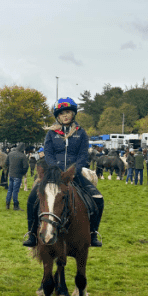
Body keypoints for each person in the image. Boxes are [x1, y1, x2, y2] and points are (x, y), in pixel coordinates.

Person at [23, 97, 103, 248]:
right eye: (61, 113)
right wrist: (57, 171)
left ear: (73, 114)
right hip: (53, 174)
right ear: (57, 116)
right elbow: (48, 153)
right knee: (32, 198)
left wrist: (74, 171)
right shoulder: (51, 134)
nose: (65, 115)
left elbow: (83, 155)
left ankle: (93, 234)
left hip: (75, 174)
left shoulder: (81, 133)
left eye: (68, 112)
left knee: (98, 199)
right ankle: (32, 234)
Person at [5, 143, 29, 210]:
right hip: (18, 175)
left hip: (11, 174)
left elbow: (6, 163)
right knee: (15, 191)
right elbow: (26, 167)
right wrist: (22, 173)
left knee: (10, 190)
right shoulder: (23, 156)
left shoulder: (10, 154)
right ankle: (15, 205)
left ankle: (7, 203)